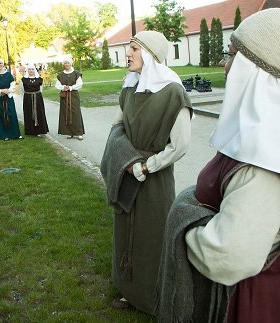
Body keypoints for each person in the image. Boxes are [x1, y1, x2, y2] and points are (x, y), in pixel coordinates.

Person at [154, 8, 280, 323]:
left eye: (231, 54)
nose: (225, 64)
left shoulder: (267, 152)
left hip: (254, 303)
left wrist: (182, 222)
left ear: (253, 65)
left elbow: (229, 256)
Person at [100, 30, 192, 315]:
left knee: (152, 236)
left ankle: (154, 299)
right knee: (126, 231)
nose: (128, 54)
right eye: (129, 48)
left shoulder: (173, 92)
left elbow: (180, 146)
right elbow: (118, 128)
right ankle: (130, 291)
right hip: (128, 173)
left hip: (155, 181)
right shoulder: (129, 88)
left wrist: (147, 166)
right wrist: (128, 162)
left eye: (135, 49)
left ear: (152, 55)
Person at [0, 58, 23, 140]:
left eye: (0, 63)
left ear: (3, 64)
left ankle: (15, 134)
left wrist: (7, 91)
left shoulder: (8, 74)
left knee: (11, 115)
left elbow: (13, 86)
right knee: (0, 116)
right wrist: (1, 91)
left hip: (8, 98)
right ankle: (3, 134)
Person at [55, 57, 85, 140]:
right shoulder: (60, 75)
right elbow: (57, 85)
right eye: (65, 63)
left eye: (68, 63)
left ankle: (79, 132)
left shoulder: (76, 73)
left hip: (73, 95)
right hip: (64, 96)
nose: (66, 64)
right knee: (66, 113)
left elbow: (80, 84)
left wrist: (71, 87)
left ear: (71, 63)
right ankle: (69, 132)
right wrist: (63, 87)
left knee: (76, 113)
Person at [19, 64, 49, 137]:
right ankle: (30, 131)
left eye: (32, 69)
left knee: (39, 113)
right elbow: (21, 90)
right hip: (28, 99)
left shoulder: (39, 79)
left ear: (34, 70)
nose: (31, 71)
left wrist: (36, 95)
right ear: (27, 70)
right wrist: (26, 97)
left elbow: (41, 89)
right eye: (29, 69)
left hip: (38, 99)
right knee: (29, 113)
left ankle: (40, 130)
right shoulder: (23, 79)